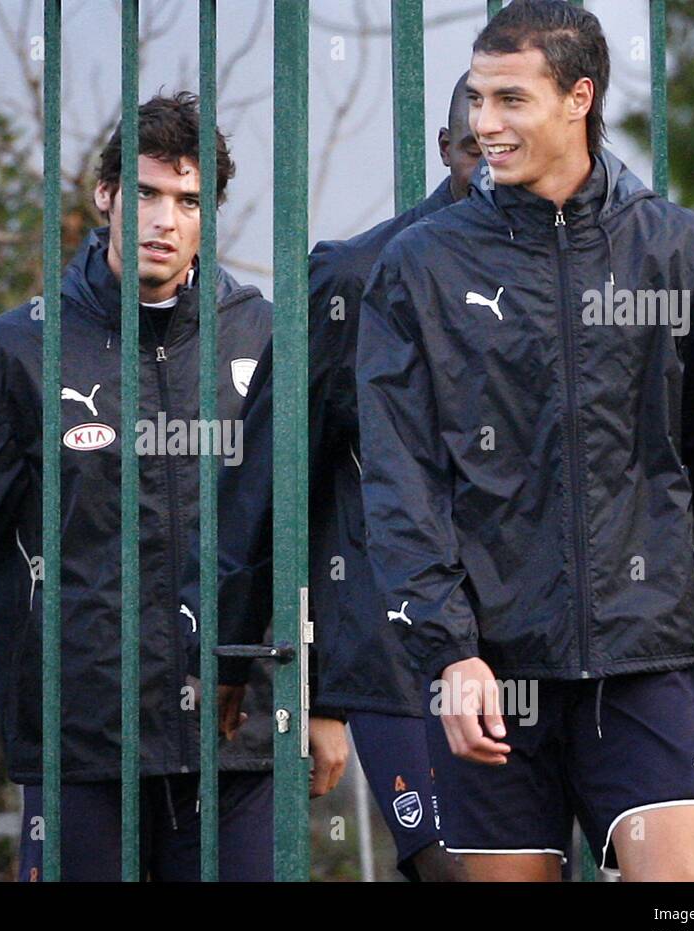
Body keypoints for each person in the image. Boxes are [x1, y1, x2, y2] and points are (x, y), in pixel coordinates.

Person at [357, 0, 694, 881]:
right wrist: (450, 652)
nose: (484, 123)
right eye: (478, 99)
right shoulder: (419, 266)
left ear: (578, 98)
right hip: (493, 678)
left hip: (644, 666)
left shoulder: (677, 250)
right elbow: (401, 482)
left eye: (511, 99)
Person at [0, 92, 276, 881]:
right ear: (106, 196)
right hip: (81, 744)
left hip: (235, 741)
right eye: (149, 194)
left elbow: (308, 527)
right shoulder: (16, 350)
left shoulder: (262, 336)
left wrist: (327, 703)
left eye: (189, 200)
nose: (165, 220)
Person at [212, 74, 479, 881]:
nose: (494, 166)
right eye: (474, 146)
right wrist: (231, 651)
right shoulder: (355, 279)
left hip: (536, 644)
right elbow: (272, 473)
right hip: (396, 644)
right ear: (444, 150)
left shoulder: (587, 279)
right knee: (448, 866)